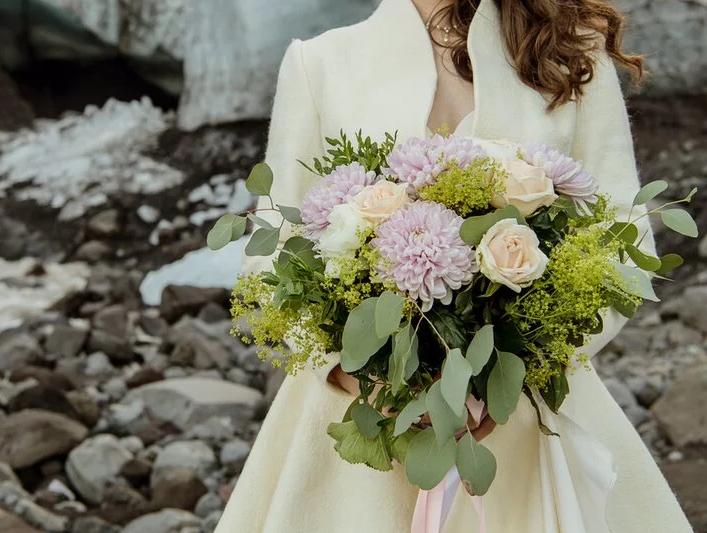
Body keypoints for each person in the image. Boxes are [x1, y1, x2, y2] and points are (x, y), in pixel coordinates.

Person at [214, 0, 693, 531]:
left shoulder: (572, 51)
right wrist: (355, 376)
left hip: (526, 411)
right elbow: (274, 248)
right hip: (361, 416)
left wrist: (516, 372)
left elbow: (623, 239)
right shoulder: (319, 62)